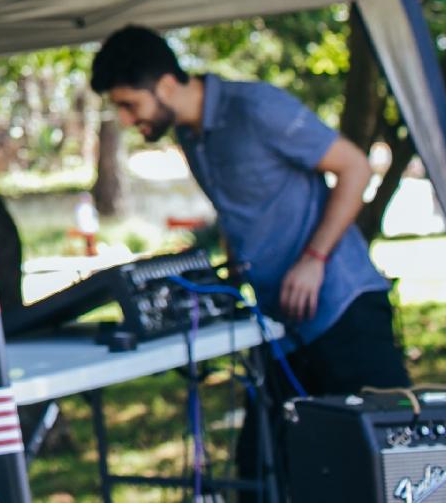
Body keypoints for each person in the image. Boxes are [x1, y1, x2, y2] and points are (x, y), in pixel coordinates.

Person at [89, 25, 409, 494]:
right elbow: (243, 207)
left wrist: (314, 258)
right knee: (260, 472)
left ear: (165, 84)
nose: (126, 118)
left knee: (383, 470)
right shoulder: (192, 137)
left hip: (344, 311)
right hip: (281, 327)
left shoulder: (257, 107)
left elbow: (354, 166)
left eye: (129, 104)